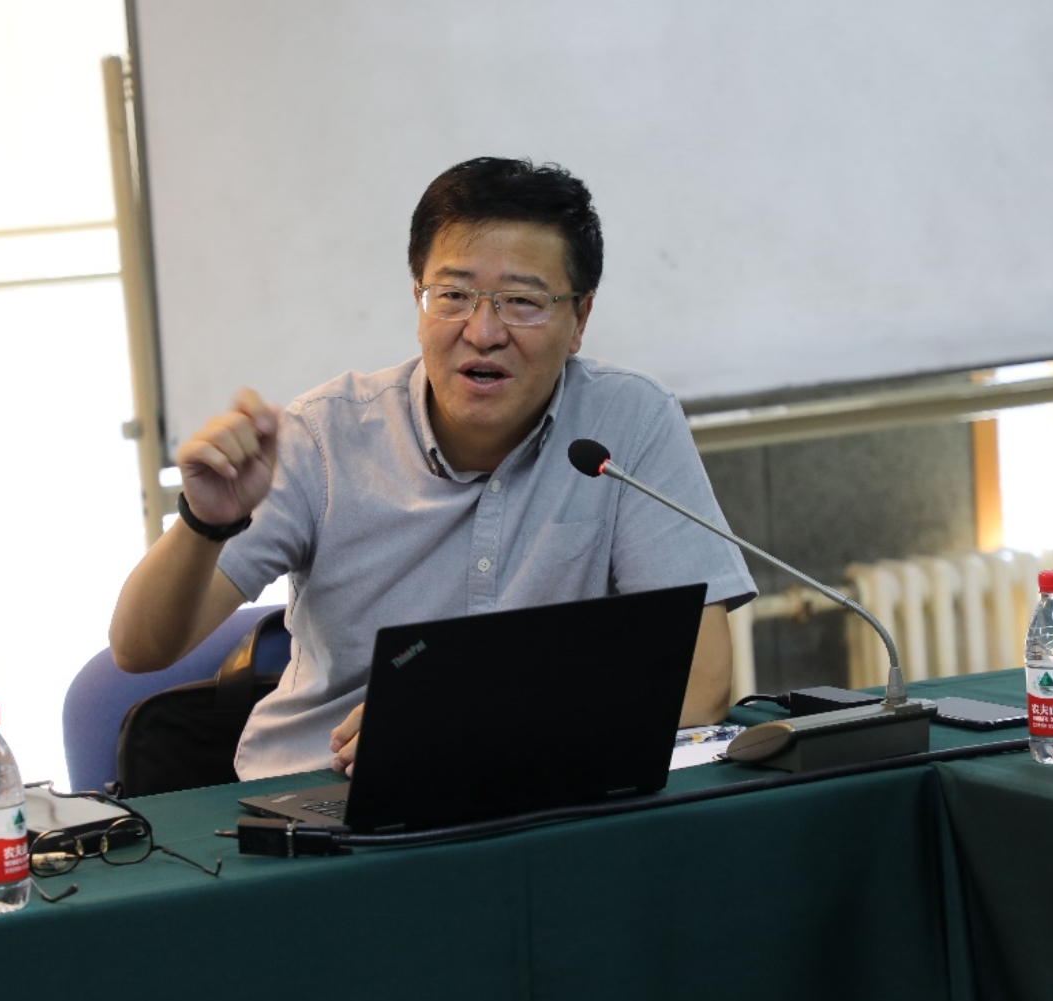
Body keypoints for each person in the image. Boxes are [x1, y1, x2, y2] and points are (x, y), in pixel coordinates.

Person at [110, 157, 756, 780]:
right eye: (452, 295)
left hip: (536, 789)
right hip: (320, 793)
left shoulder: (628, 422)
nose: (482, 331)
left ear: (578, 318)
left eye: (521, 301)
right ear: (418, 301)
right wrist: (204, 523)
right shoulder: (323, 438)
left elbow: (701, 687)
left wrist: (466, 725)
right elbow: (139, 650)